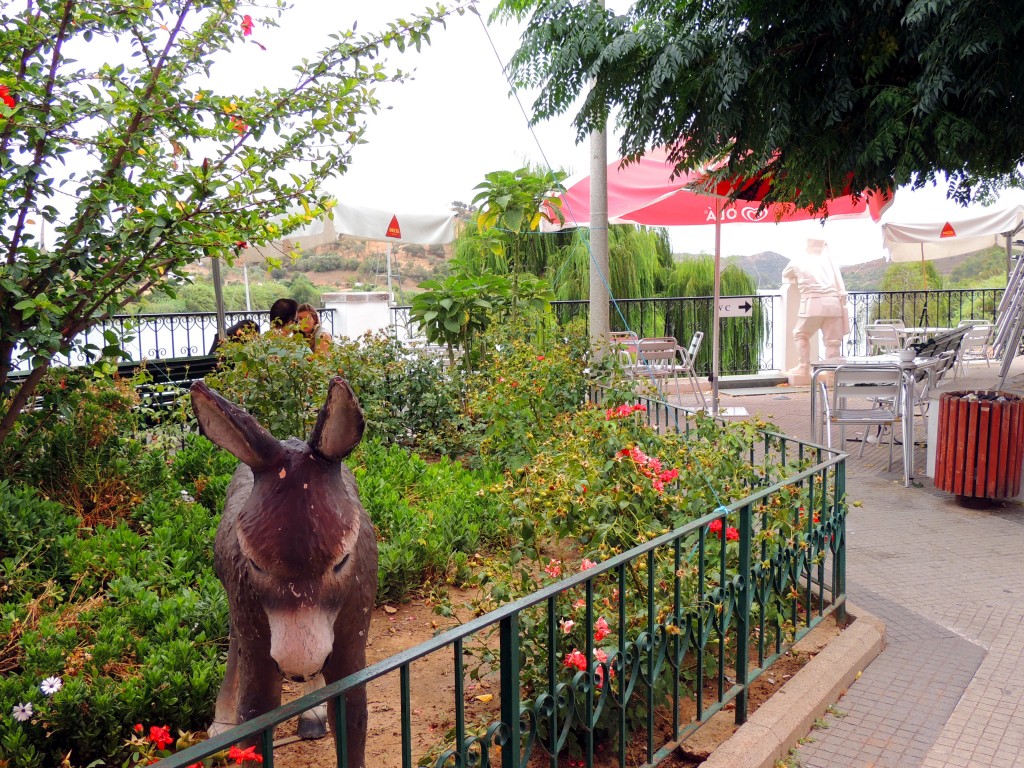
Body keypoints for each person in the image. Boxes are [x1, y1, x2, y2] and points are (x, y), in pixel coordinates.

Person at [782, 239, 850, 380]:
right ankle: (831, 373)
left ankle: (803, 367)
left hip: (812, 304)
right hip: (834, 304)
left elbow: (786, 274)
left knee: (800, 334)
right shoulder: (829, 262)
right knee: (832, 341)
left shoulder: (799, 260)